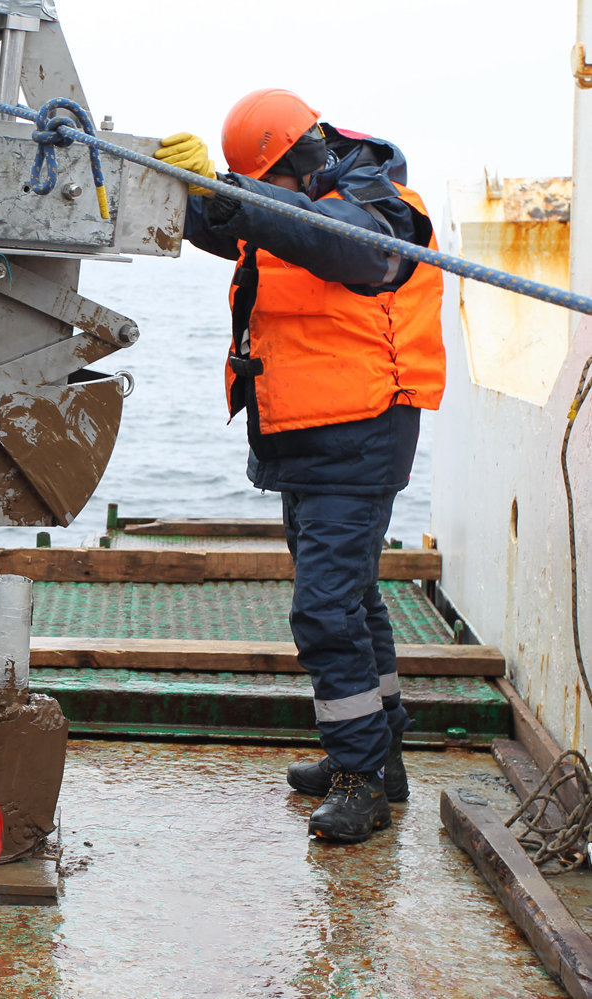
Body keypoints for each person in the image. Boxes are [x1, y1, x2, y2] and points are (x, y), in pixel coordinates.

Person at [154, 89, 445, 843]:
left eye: (264, 184)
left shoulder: (379, 204)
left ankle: (360, 781)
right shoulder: (291, 203)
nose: (263, 198)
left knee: (323, 612)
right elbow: (238, 225)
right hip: (308, 438)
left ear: (304, 162)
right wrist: (175, 189)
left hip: (359, 434)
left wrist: (235, 194)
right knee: (354, 603)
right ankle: (381, 757)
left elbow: (353, 248)